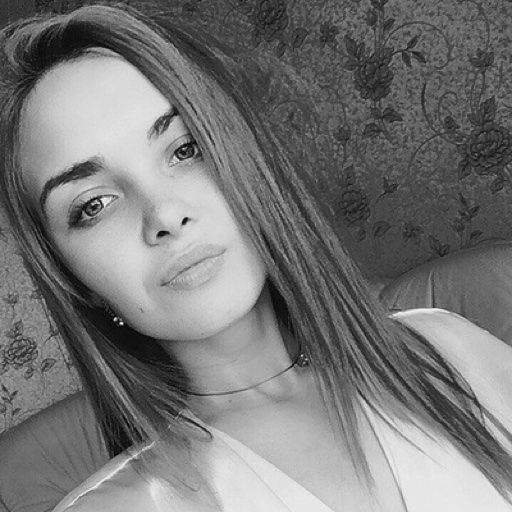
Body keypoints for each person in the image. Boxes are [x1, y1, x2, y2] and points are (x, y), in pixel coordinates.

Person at [1, 3, 512, 511]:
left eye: (186, 149)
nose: (165, 214)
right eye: (93, 205)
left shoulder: (445, 349)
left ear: (249, 160)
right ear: (73, 278)